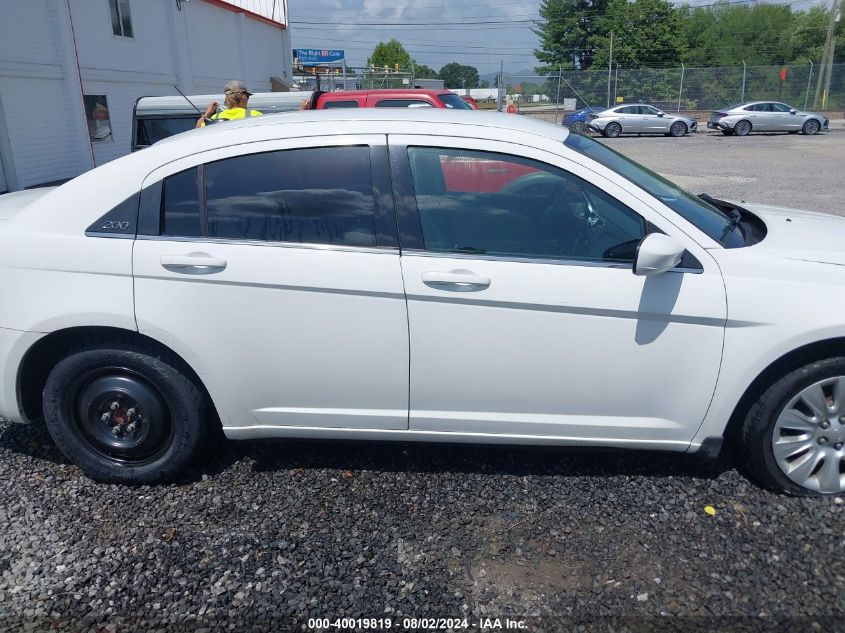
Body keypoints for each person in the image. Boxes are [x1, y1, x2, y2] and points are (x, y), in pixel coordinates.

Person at [195, 80, 262, 128]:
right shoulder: (255, 115)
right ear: (243, 96)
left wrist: (208, 112)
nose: (247, 99)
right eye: (247, 96)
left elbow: (198, 128)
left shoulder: (215, 118)